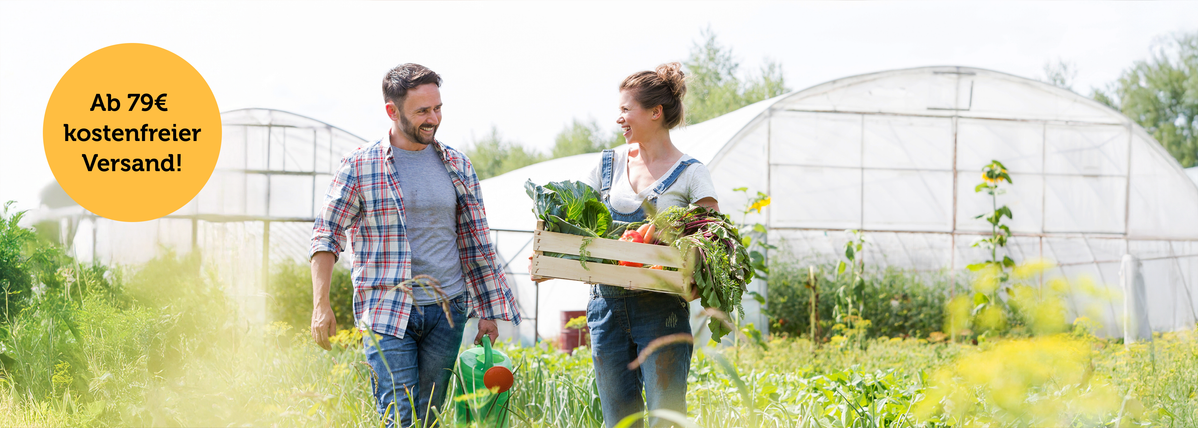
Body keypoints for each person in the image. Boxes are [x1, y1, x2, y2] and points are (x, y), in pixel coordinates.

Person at [309, 63, 521, 428]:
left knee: (429, 417)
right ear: (392, 111)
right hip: (386, 309)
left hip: (447, 311)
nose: (433, 118)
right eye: (422, 111)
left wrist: (487, 308)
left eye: (437, 108)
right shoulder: (360, 166)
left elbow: (476, 244)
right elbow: (326, 234)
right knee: (400, 415)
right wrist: (320, 304)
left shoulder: (457, 164)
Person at [584, 63, 719, 428]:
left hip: (662, 308)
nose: (619, 119)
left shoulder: (691, 171)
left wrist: (683, 249)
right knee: (619, 420)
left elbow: (714, 237)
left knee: (666, 418)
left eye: (626, 109)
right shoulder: (607, 165)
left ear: (655, 112)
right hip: (605, 307)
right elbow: (580, 224)